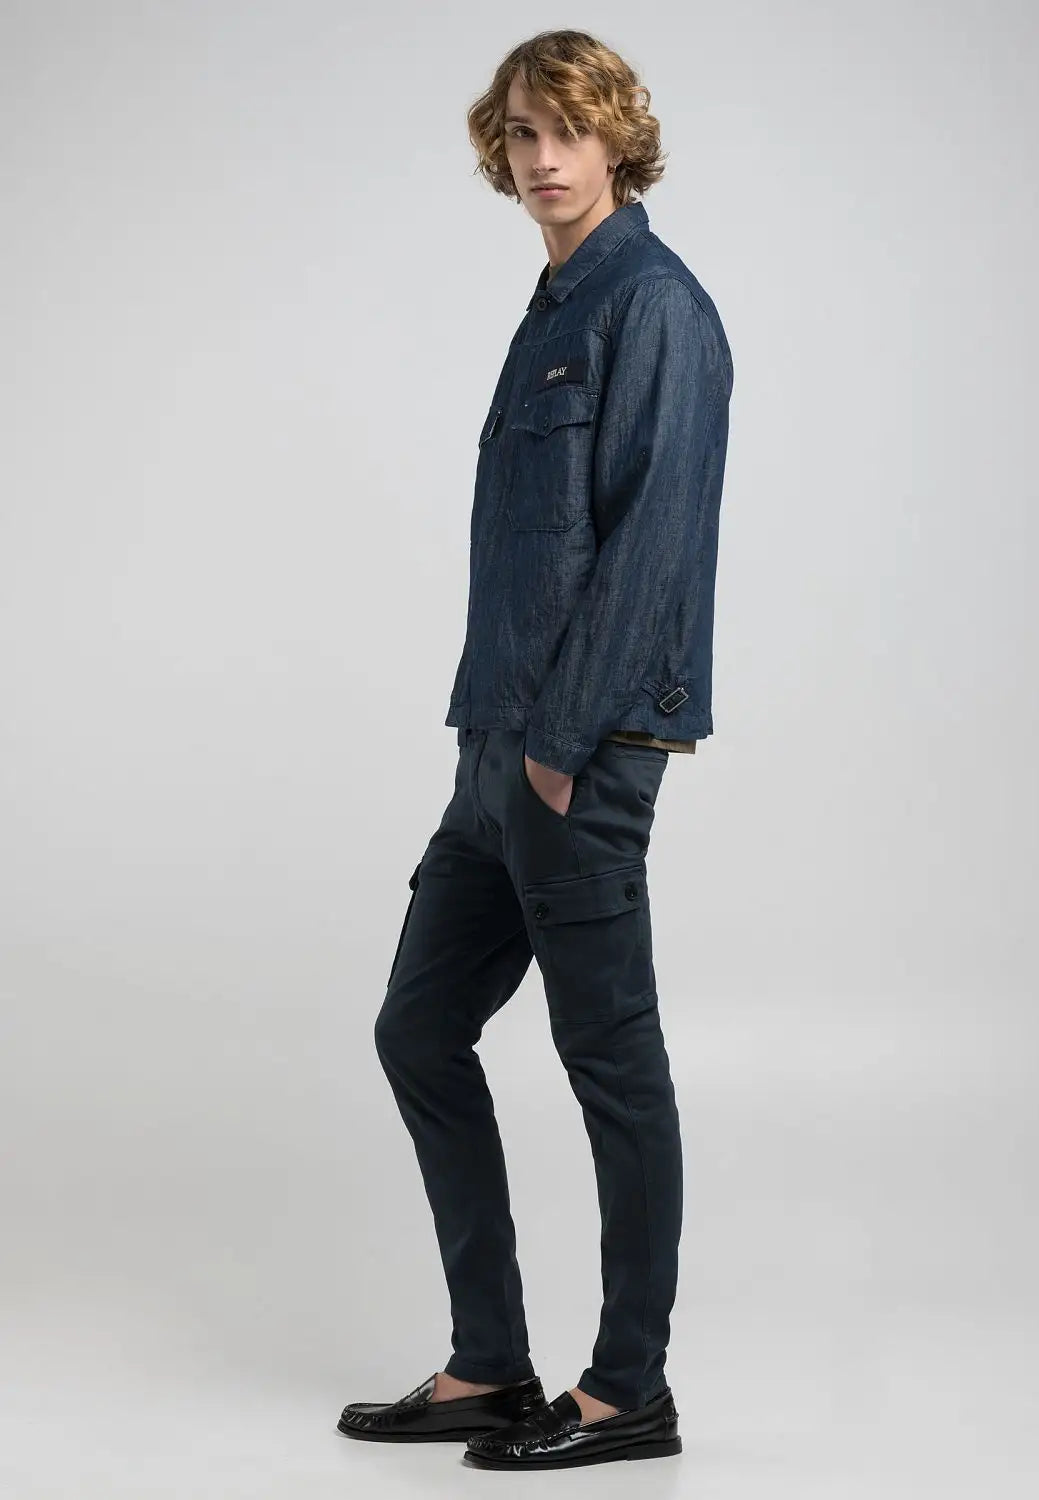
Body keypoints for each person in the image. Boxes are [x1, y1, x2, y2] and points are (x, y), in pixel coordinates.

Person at [337, 28, 732, 1470]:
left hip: (581, 749)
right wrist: (494, 746)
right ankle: (490, 1366)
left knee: (610, 1065)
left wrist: (559, 750)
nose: (543, 157)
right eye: (519, 132)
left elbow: (652, 542)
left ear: (618, 137)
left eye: (568, 129)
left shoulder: (656, 306)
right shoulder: (556, 299)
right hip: (495, 744)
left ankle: (629, 1391)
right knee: (417, 1028)